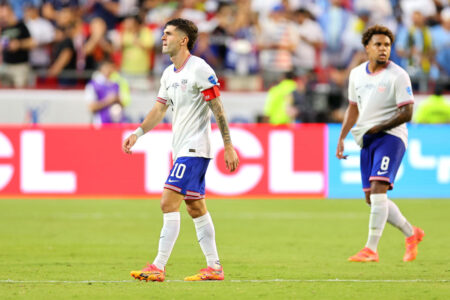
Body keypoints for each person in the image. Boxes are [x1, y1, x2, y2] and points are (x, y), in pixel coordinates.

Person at [122, 18, 239, 282]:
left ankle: (158, 266)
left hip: (194, 148)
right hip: (182, 149)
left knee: (167, 202)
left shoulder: (199, 69)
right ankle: (214, 268)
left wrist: (228, 146)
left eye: (168, 34)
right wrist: (137, 133)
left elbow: (217, 108)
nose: (162, 38)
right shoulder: (168, 73)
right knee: (195, 208)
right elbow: (159, 109)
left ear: (183, 40)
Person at [336, 25, 425, 263]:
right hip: (368, 138)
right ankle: (412, 233)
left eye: (387, 45)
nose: (383, 49)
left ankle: (371, 249)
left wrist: (380, 127)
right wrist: (342, 138)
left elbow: (407, 113)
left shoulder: (398, 75)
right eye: (378, 44)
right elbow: (353, 108)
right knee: (372, 198)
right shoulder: (356, 74)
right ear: (367, 47)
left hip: (391, 137)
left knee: (378, 189)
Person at [0, 2, 33, 88]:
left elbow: (32, 42)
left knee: (20, 94)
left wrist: (19, 44)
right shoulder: (3, 28)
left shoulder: (21, 26)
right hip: (6, 65)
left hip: (20, 66)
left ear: (10, 12)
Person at [85, 60, 125, 124]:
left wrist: (117, 100)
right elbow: (91, 107)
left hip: (115, 124)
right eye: (106, 67)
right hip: (100, 124)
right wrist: (108, 101)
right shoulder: (93, 85)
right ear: (101, 69)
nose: (109, 70)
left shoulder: (116, 84)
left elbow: (122, 105)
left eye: (110, 67)